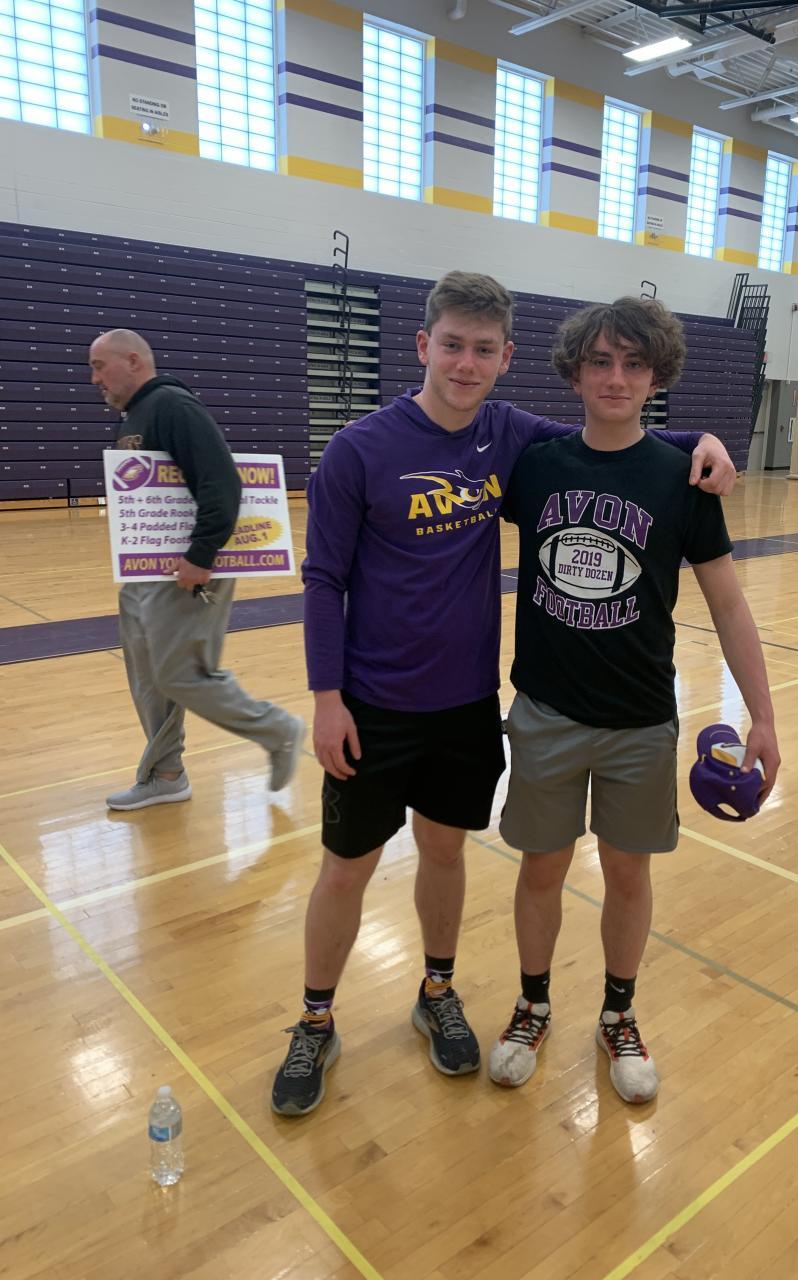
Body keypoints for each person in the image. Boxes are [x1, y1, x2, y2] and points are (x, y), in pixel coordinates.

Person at [270, 273, 737, 1117]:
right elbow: (322, 579)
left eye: (483, 349)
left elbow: (612, 433)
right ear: (423, 345)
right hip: (371, 704)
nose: (466, 363)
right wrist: (326, 697)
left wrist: (703, 438)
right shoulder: (357, 450)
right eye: (452, 344)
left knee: (445, 854)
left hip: (465, 706)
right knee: (345, 870)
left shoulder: (507, 434)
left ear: (506, 357)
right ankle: (315, 1019)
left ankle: (438, 991)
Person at [487, 296, 780, 1104]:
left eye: (634, 364)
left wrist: (762, 714)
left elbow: (729, 604)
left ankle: (618, 1014)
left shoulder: (684, 480)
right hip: (545, 712)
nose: (616, 378)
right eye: (601, 362)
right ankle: (532, 1004)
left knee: (627, 871)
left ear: (657, 376)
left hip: (642, 720)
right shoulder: (537, 466)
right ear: (575, 372)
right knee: (542, 868)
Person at [88, 329, 304, 812]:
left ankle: (277, 730)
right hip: (147, 567)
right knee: (148, 676)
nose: (94, 378)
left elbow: (222, 483)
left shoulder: (172, 406)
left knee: (182, 674)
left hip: (187, 566)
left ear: (133, 360)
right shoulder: (136, 415)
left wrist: (201, 556)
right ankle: (166, 774)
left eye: (100, 366)